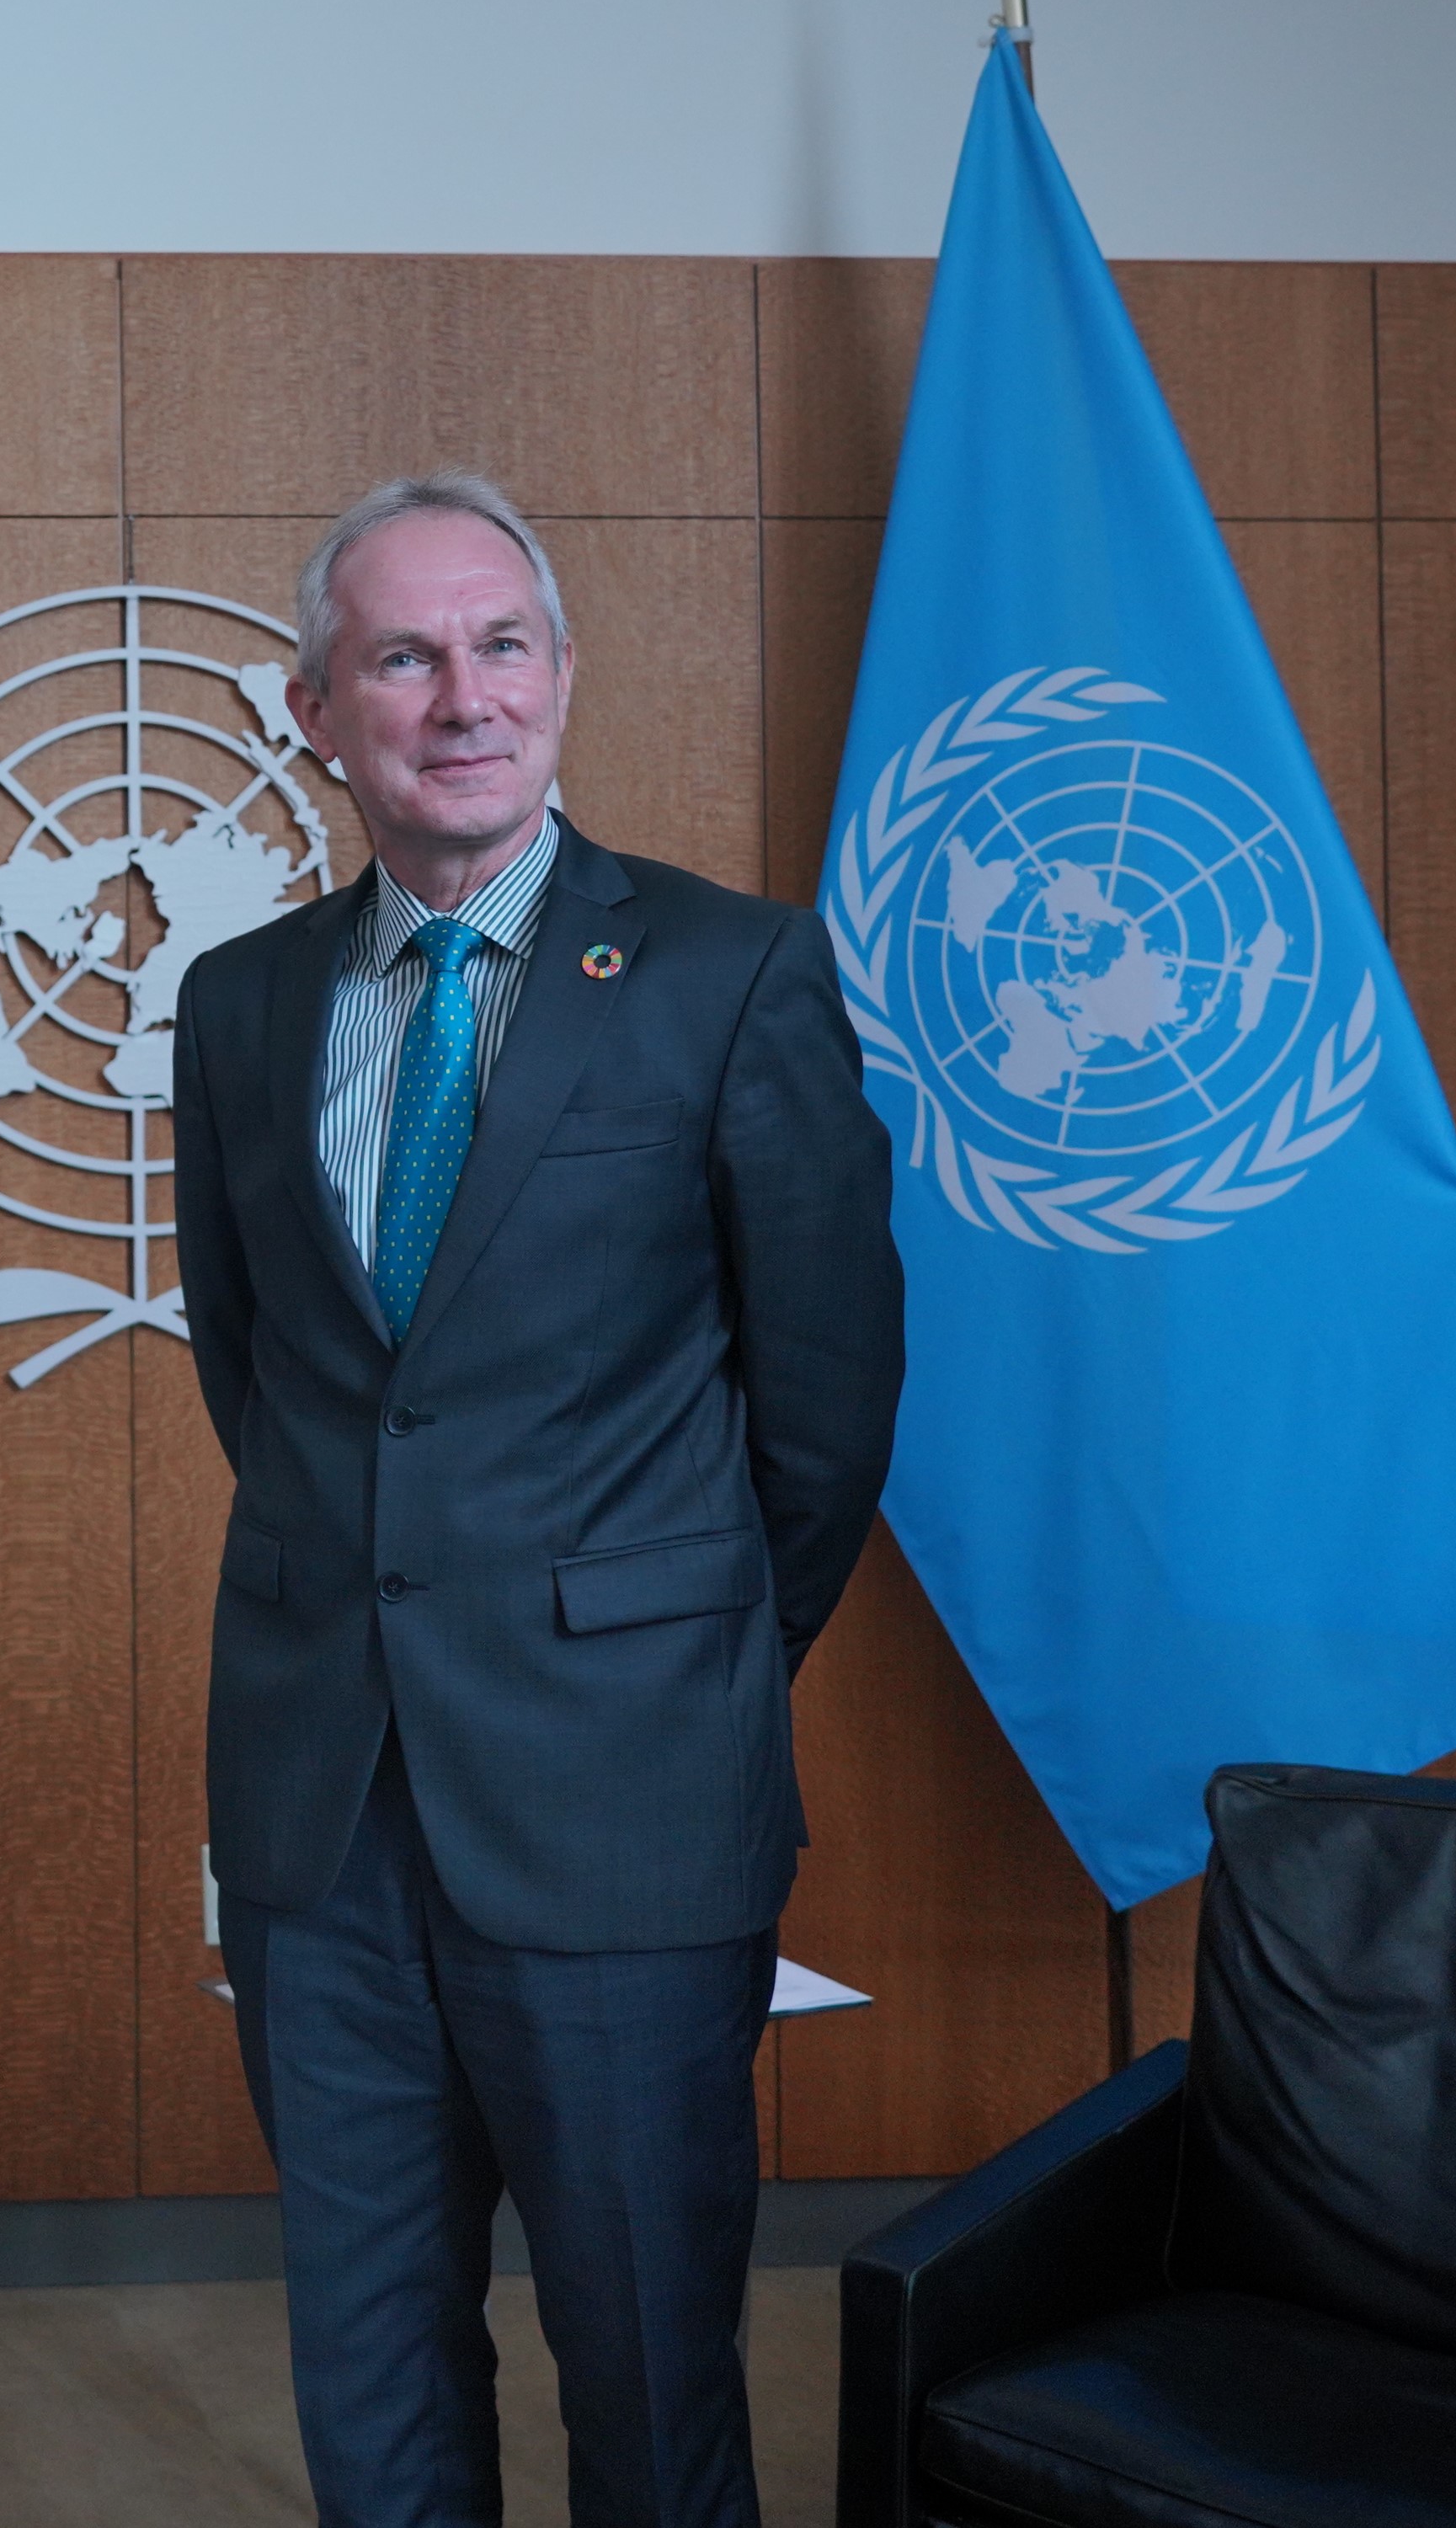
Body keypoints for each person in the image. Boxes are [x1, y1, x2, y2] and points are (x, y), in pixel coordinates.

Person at [170, 473, 904, 2528]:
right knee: (374, 2376)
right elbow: (268, 1375)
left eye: (502, 645)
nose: (462, 697)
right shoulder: (240, 1003)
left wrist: (672, 1654)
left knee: (650, 2376)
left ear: (565, 676)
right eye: (404, 655)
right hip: (323, 1817)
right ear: (319, 708)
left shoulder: (729, 973)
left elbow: (826, 1405)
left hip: (624, 1805)